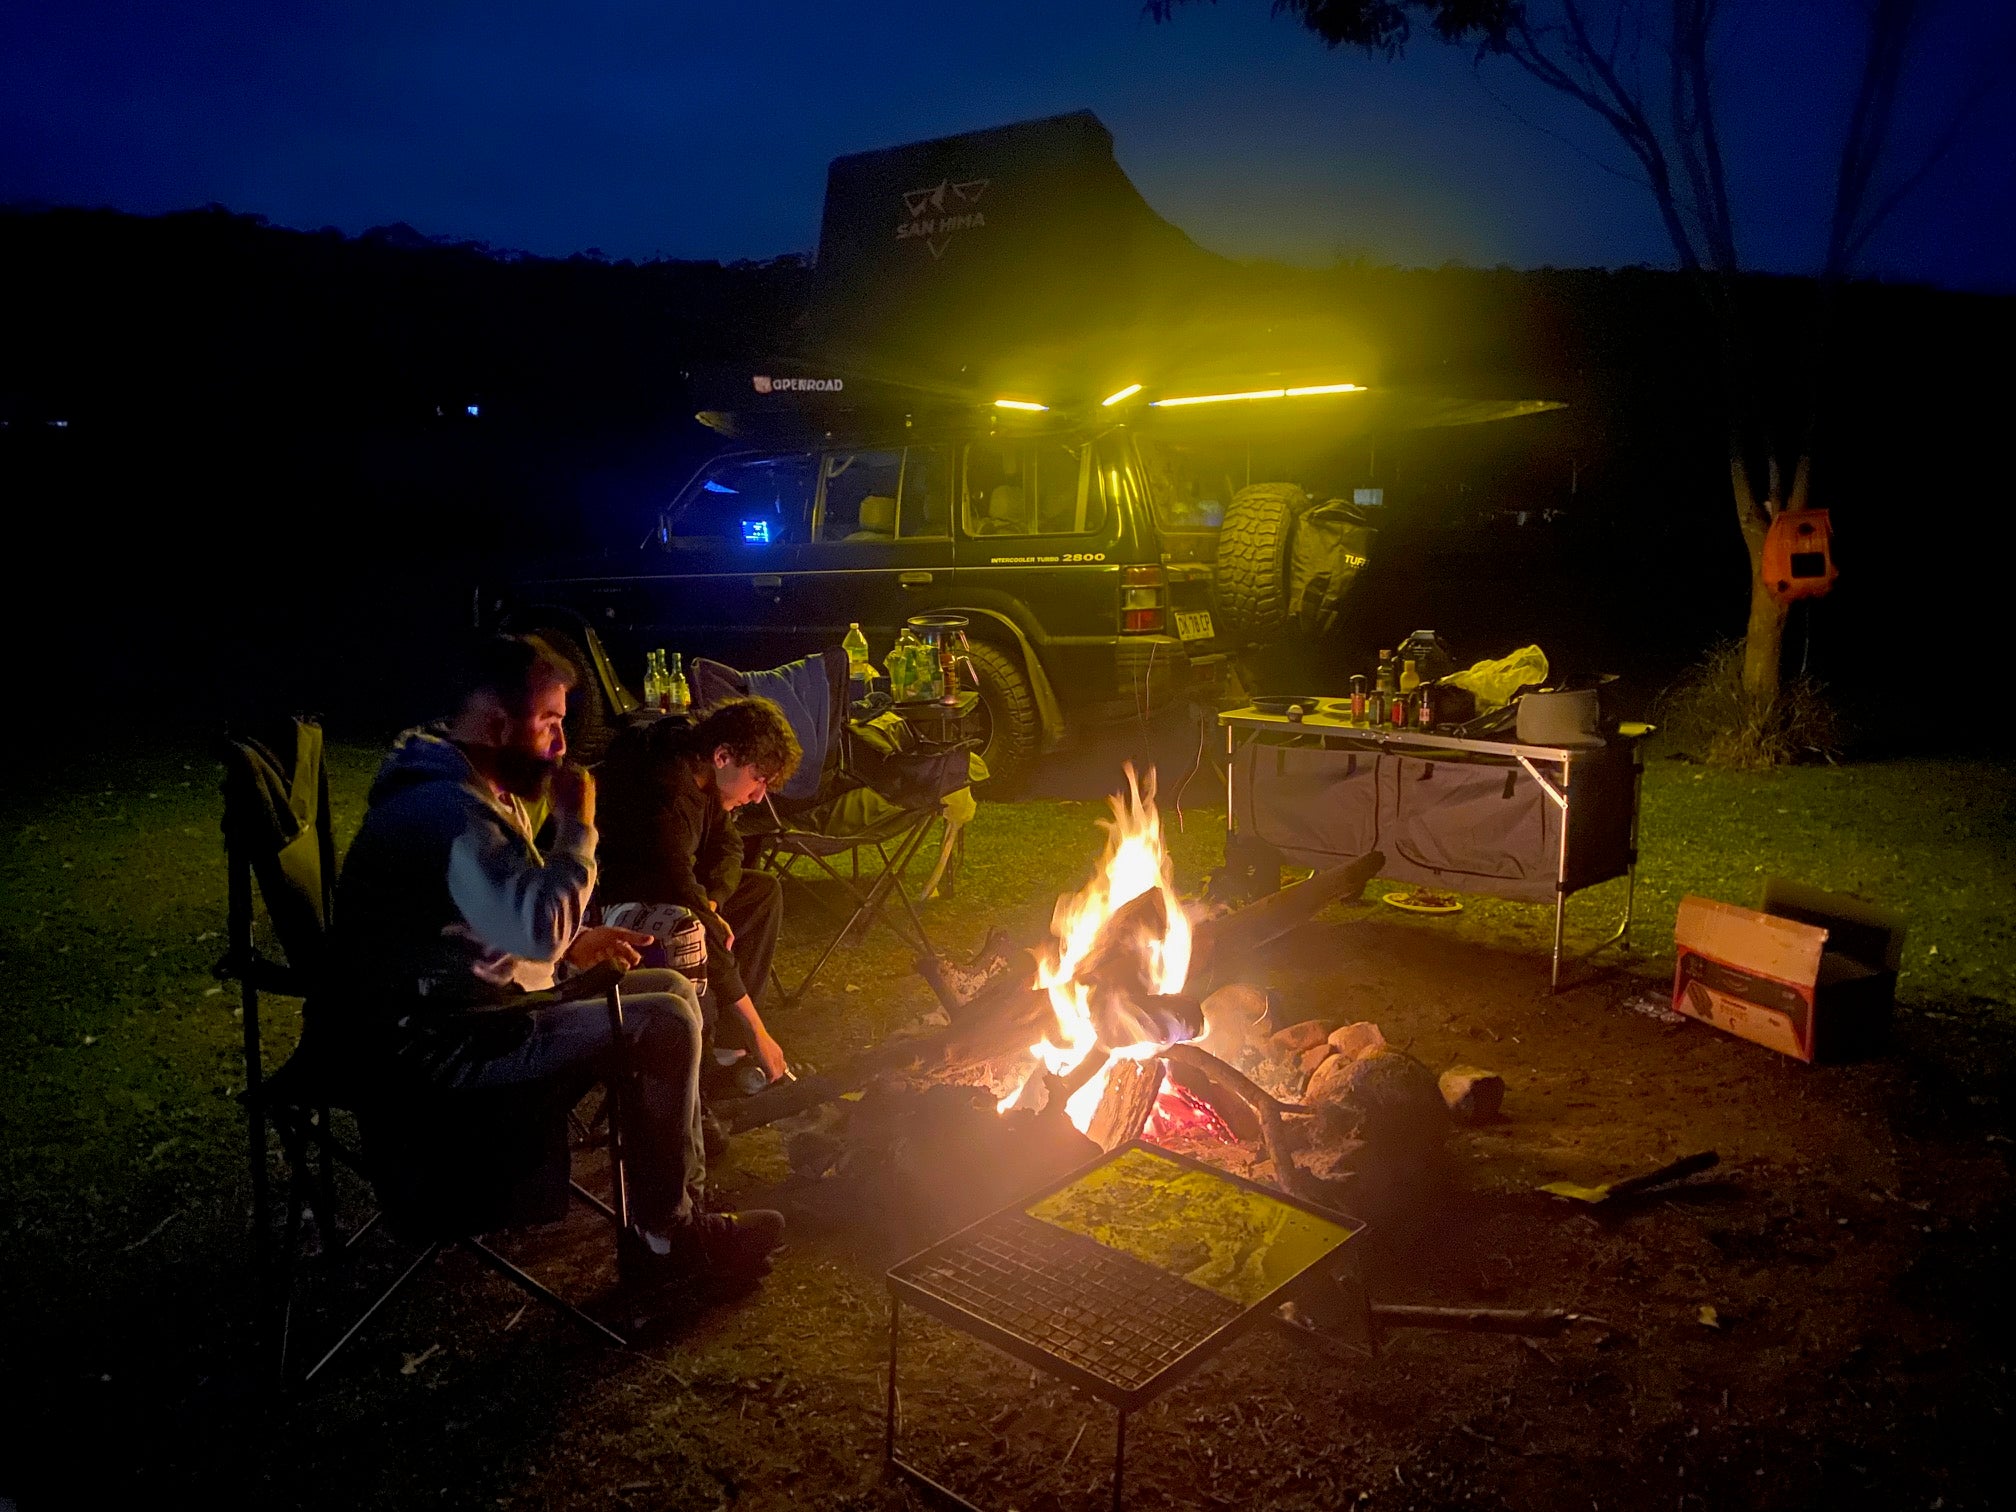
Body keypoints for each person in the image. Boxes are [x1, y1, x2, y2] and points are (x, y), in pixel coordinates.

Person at [323, 635, 783, 1292]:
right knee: (665, 1023)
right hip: (458, 1039)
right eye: (551, 724)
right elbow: (533, 925)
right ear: (497, 724)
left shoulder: (465, 786)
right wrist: (575, 831)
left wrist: (574, 945)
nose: (563, 745)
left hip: (484, 1000)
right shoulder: (447, 812)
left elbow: (476, 917)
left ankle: (677, 1218)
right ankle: (666, 1243)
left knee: (673, 991)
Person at [595, 698, 800, 1088]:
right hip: (623, 905)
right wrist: (761, 1028)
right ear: (724, 755)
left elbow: (730, 847)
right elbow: (679, 891)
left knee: (762, 892)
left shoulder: (704, 774)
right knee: (696, 930)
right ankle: (699, 1071)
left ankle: (730, 1041)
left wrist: (713, 901)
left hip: (678, 894)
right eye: (758, 780)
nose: (759, 796)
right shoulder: (667, 795)